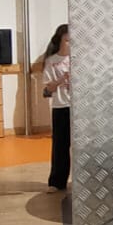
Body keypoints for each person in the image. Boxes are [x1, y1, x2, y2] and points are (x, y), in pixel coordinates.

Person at [42, 24, 71, 192]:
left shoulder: (79, 59)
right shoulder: (51, 62)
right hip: (61, 106)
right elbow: (48, 88)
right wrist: (62, 79)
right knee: (60, 145)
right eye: (67, 40)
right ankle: (57, 181)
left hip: (78, 108)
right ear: (60, 41)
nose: (70, 44)